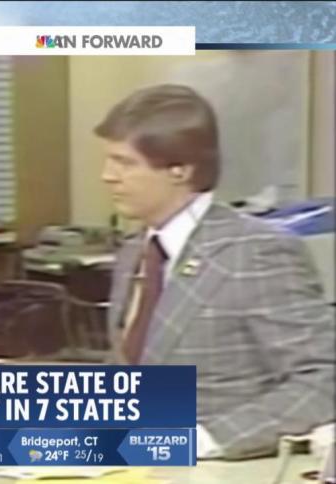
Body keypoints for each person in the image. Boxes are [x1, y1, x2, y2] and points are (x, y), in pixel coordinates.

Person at [96, 84, 334, 460]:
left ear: (179, 170)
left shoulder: (255, 251)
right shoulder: (134, 252)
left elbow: (322, 382)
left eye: (124, 163)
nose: (107, 176)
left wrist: (202, 440)